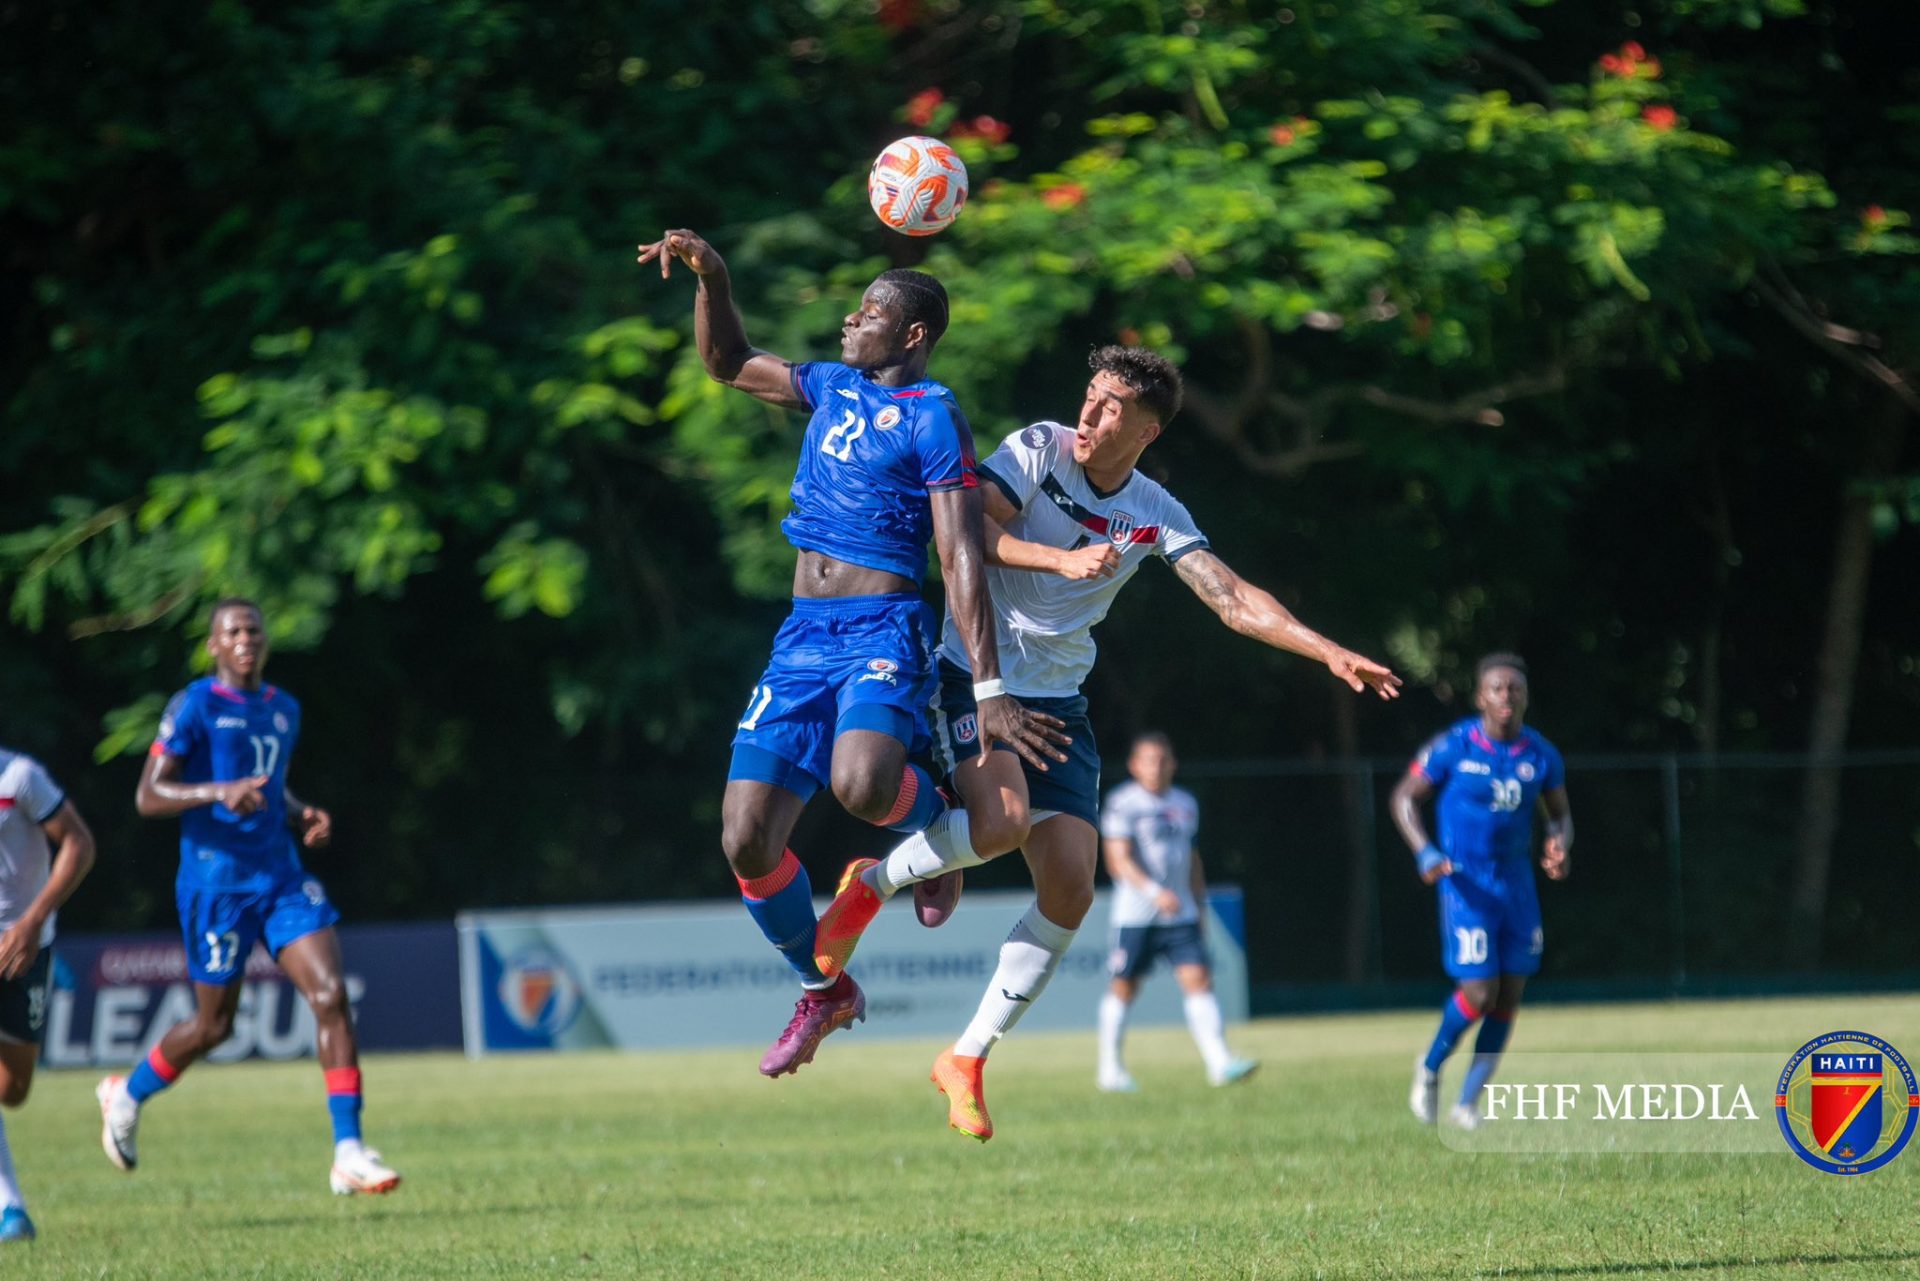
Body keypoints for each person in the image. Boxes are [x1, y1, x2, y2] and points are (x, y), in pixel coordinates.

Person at [812, 345, 1401, 1139]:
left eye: (1111, 406)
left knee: (1070, 889)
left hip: (1059, 700)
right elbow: (967, 532)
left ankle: (967, 1057)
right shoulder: (1037, 448)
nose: (1090, 414)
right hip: (971, 672)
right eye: (1089, 396)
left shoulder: (1156, 511)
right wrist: (1059, 557)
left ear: (1147, 431)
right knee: (1002, 824)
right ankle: (875, 880)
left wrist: (1323, 647)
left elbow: (1231, 598)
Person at [636, 230, 1063, 1078]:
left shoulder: (935, 415)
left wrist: (986, 687)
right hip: (800, 638)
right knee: (745, 838)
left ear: (911, 335)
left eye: (869, 312)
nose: (848, 320)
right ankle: (823, 988)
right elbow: (726, 361)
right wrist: (713, 275)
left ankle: (929, 815)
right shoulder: (831, 386)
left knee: (863, 784)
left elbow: (960, 558)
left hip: (881, 628)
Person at [96, 598, 400, 1195]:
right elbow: (149, 796)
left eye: (254, 629)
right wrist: (217, 791)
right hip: (216, 885)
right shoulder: (195, 705)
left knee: (331, 996)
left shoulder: (283, 709)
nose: (245, 638)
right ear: (214, 645)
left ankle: (348, 1151)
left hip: (281, 878)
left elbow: (269, 789)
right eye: (232, 631)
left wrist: (299, 812)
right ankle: (126, 1094)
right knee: (214, 1028)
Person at [1390, 653, 1573, 1130]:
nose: (1506, 695)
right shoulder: (1455, 746)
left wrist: (1559, 842)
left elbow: (1559, 814)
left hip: (1516, 885)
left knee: (1509, 994)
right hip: (1466, 883)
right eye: (1497, 688)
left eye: (1515, 688)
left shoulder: (1540, 755)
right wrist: (1424, 853)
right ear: (1480, 697)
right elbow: (1404, 798)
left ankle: (1467, 1102)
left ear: (1526, 697)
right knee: (1479, 990)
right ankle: (1429, 1068)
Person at [1095, 732, 1255, 1092]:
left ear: (1173, 763)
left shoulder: (1185, 802)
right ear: (1135, 765)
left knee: (1199, 980)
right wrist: (1154, 892)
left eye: (1164, 759)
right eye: (1150, 760)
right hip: (1136, 916)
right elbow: (1116, 860)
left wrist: (1197, 905)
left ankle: (1219, 1063)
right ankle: (1110, 1070)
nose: (1157, 767)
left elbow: (1192, 859)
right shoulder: (1124, 803)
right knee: (1123, 988)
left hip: (1180, 913)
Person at [0, 747, 95, 1242]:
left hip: (24, 949)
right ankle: (9, 1208)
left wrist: (31, 923)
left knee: (13, 1090)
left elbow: (79, 844)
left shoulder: (20, 777)